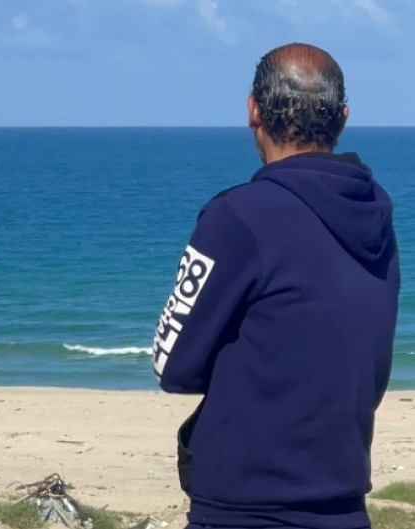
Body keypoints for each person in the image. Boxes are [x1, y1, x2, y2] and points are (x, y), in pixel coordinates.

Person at [152, 43, 399, 529]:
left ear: (253, 111)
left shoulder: (238, 216)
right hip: (344, 503)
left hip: (246, 506)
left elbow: (172, 363)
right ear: (342, 117)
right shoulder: (377, 215)